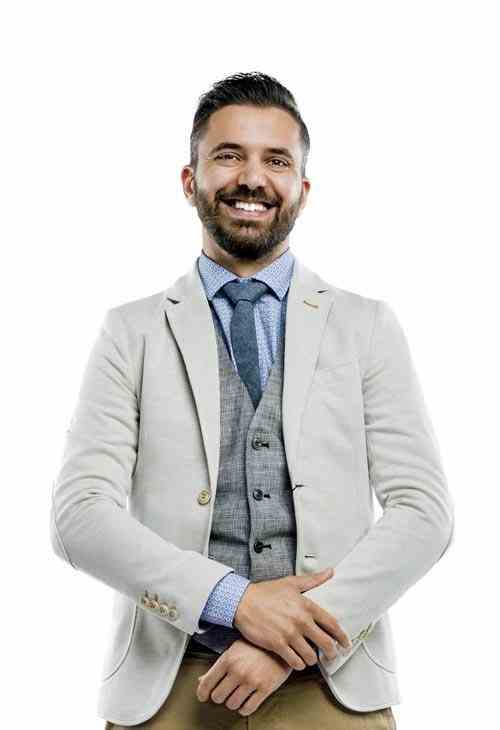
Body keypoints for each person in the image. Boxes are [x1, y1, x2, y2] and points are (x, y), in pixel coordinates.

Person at [50, 71, 454, 729]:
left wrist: (294, 634)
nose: (252, 178)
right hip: (170, 684)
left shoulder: (367, 326)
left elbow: (424, 512)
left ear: (302, 189)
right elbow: (79, 515)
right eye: (229, 155)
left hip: (333, 681)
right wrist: (234, 601)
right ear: (190, 180)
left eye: (277, 161)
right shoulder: (131, 331)